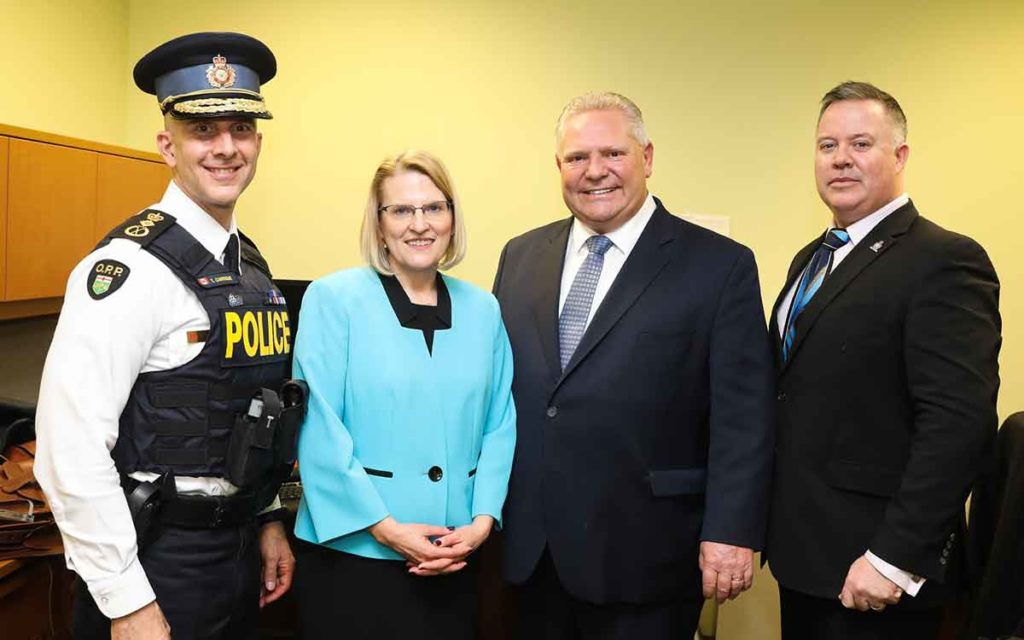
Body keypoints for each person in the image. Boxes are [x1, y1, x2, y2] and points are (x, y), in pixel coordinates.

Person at [35, 32, 299, 639]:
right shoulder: (131, 271)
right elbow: (67, 450)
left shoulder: (248, 266)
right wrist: (126, 602)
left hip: (235, 554)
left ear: (258, 141)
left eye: (241, 128)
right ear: (167, 144)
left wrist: (265, 520)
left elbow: (249, 412)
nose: (226, 148)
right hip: (157, 558)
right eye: (203, 130)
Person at [492, 92, 775, 639]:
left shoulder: (719, 266)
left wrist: (732, 531)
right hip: (534, 552)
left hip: (649, 555)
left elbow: (744, 416)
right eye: (577, 158)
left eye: (613, 154)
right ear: (558, 167)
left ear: (646, 158)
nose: (594, 171)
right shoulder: (520, 255)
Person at [765, 81, 1001, 639]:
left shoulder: (943, 259)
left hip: (877, 575)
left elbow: (958, 424)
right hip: (807, 559)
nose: (840, 159)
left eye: (860, 143)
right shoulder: (812, 258)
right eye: (827, 146)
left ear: (900, 155)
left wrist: (892, 557)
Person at [291, 150, 516, 639]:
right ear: (379, 224)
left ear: (452, 219)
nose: (420, 224)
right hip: (354, 555)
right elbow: (319, 426)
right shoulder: (333, 300)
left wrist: (482, 521)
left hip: (454, 554)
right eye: (401, 210)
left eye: (434, 208)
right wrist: (385, 528)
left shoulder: (484, 309)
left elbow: (500, 422)